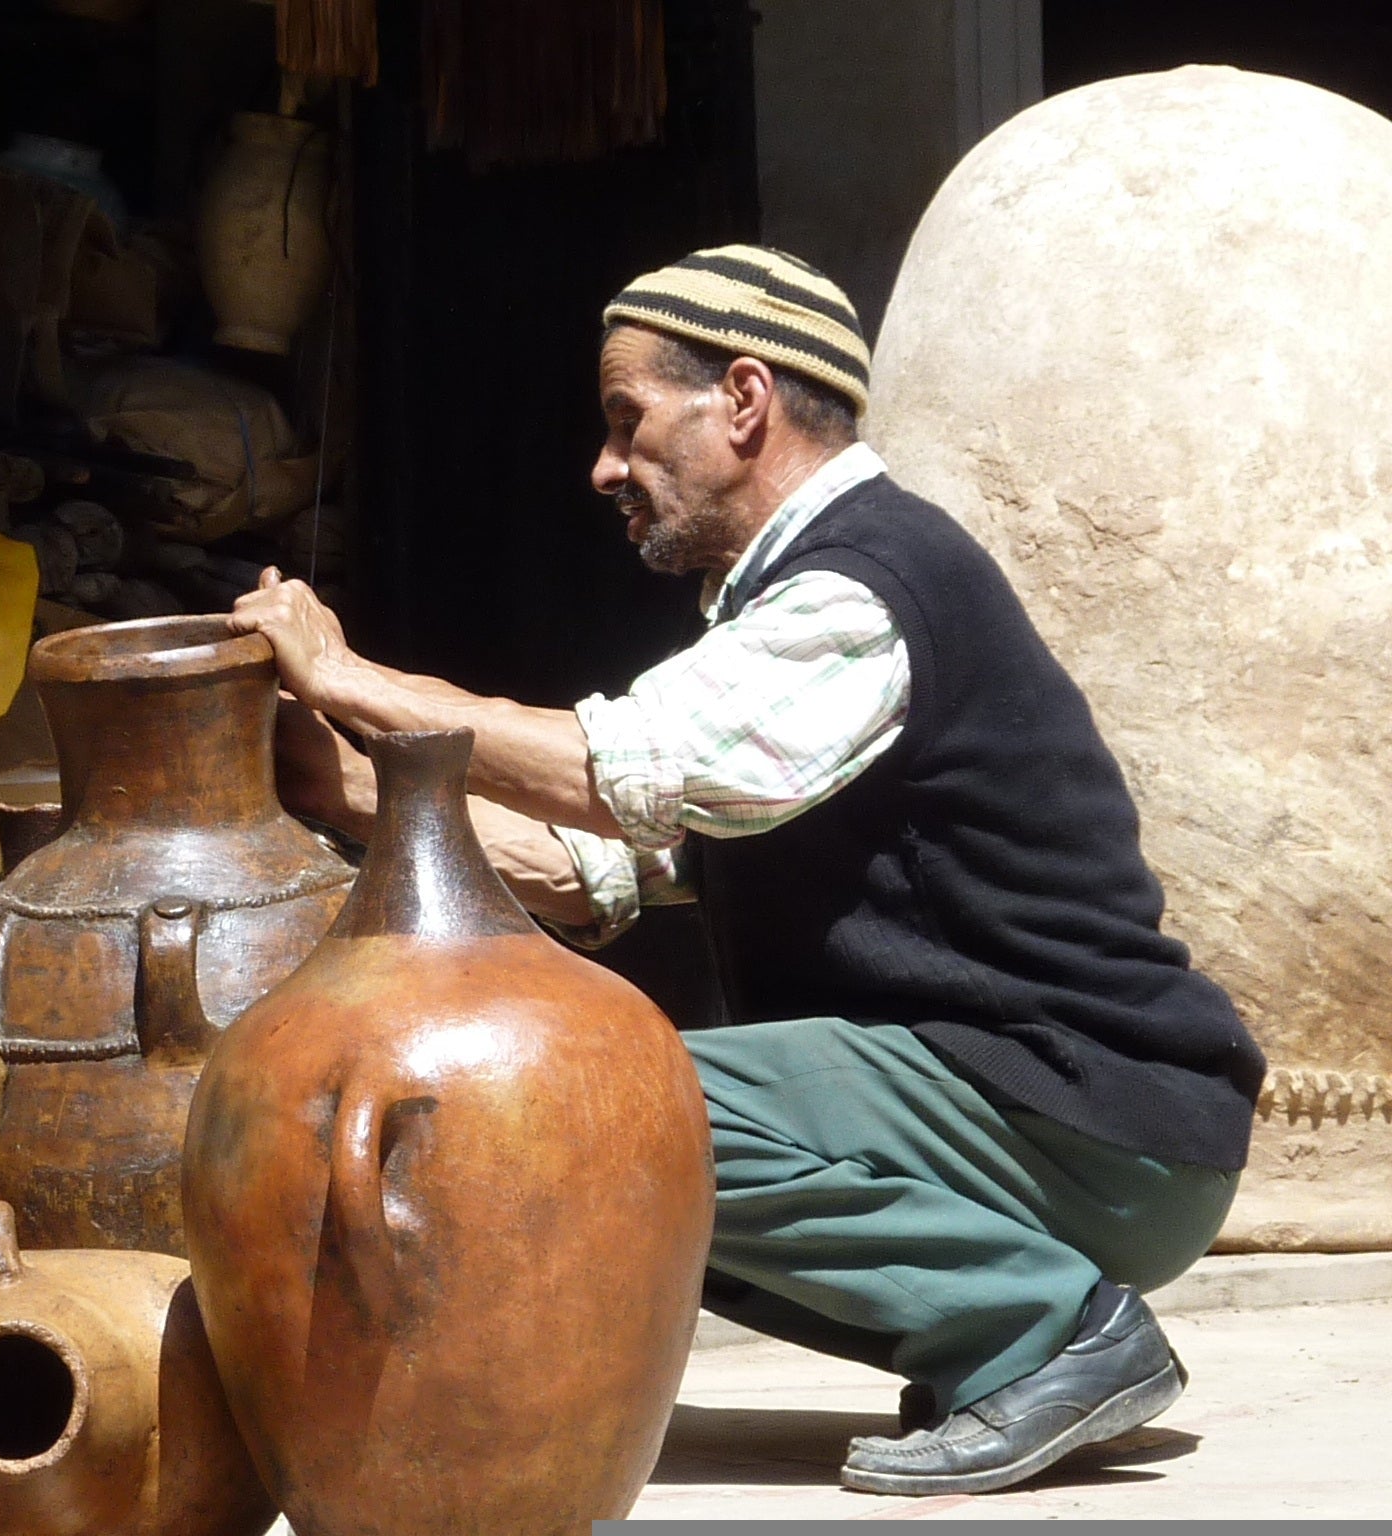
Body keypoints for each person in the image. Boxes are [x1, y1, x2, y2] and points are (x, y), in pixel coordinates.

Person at [228, 245, 1267, 1498]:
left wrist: (350, 683)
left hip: (1092, 1118)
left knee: (585, 1104)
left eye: (626, 422)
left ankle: (1040, 1329)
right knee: (603, 1161)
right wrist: (331, 784)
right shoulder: (782, 612)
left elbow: (626, 768)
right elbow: (583, 868)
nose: (604, 468)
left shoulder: (862, 591)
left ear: (740, 401)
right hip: (1039, 1120)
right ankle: (1017, 1322)